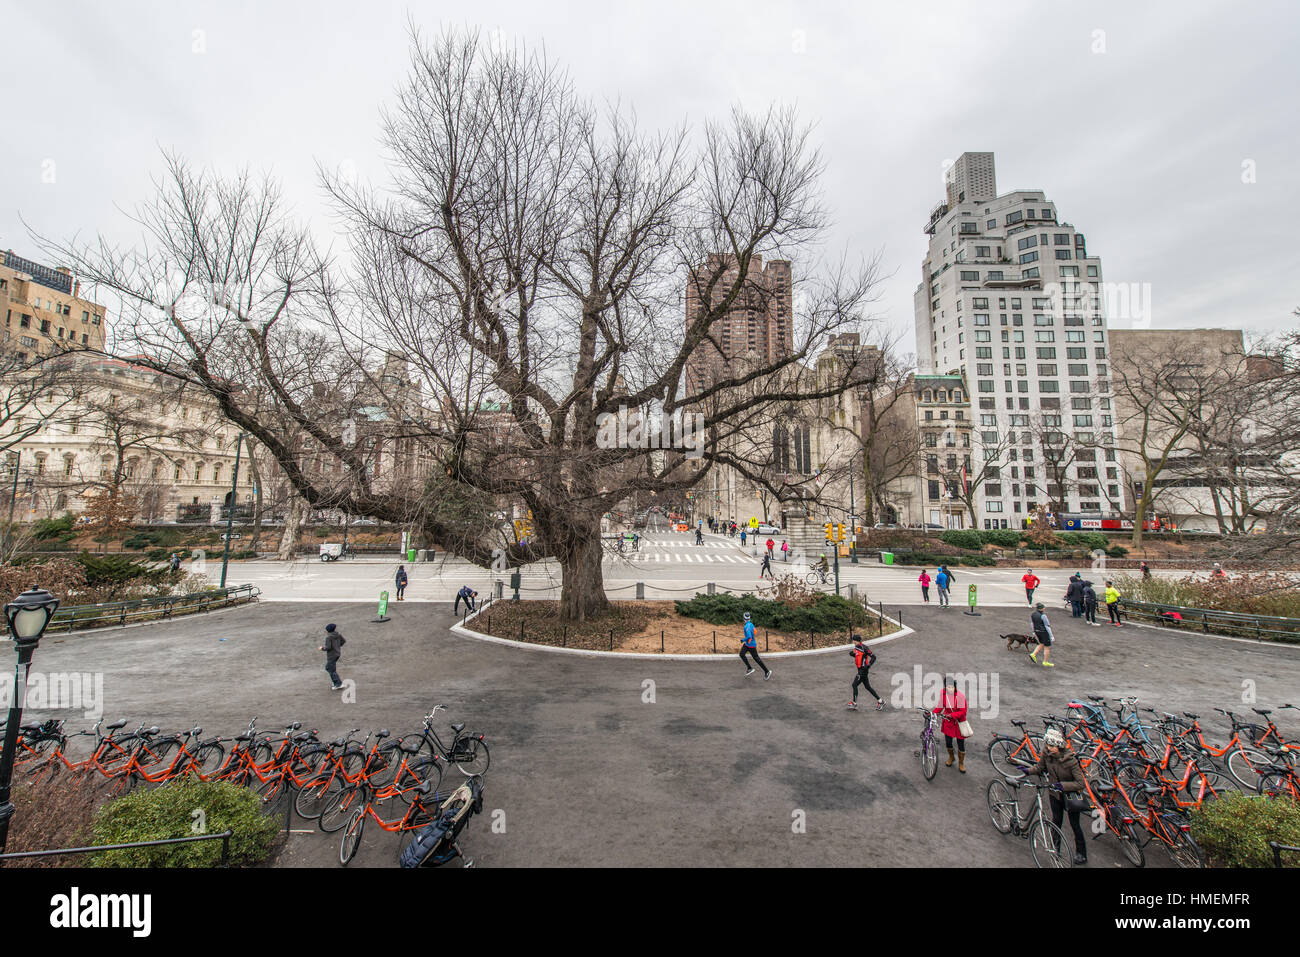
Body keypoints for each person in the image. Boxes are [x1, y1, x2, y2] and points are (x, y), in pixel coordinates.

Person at [1022, 727, 1089, 865]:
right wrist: (1028, 771)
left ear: (1059, 746)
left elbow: (1080, 783)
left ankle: (1081, 853)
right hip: (1055, 795)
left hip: (1071, 797)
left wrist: (1062, 785)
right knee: (1056, 821)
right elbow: (1040, 767)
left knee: (1075, 824)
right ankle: (1055, 849)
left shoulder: (1071, 761)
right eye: (1048, 744)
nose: (1049, 748)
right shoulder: (1047, 755)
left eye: (1052, 746)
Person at [933, 677, 969, 772]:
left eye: (952, 687)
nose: (950, 689)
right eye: (948, 687)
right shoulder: (943, 693)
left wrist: (951, 715)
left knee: (960, 744)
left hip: (958, 723)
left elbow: (963, 712)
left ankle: (961, 763)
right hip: (948, 723)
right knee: (948, 742)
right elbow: (940, 706)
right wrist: (933, 713)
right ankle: (951, 757)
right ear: (945, 686)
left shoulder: (960, 696)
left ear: (955, 686)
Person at [847, 636, 884, 711]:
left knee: (854, 684)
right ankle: (880, 701)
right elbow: (858, 656)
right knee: (868, 687)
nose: (853, 642)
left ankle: (854, 703)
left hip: (863, 671)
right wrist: (852, 654)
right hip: (860, 670)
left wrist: (868, 665)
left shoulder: (864, 648)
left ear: (857, 641)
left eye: (854, 641)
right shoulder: (856, 647)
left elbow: (873, 657)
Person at [740, 612, 771, 680]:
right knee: (741, 654)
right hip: (748, 644)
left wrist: (743, 640)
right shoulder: (751, 624)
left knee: (756, 659)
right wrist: (750, 638)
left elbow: (749, 636)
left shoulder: (746, 626)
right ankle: (749, 668)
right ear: (749, 618)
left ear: (744, 619)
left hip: (751, 645)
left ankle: (767, 671)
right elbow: (755, 631)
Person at [319, 623, 346, 691]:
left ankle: (338, 683)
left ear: (328, 630)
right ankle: (335, 682)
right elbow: (343, 641)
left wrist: (322, 648)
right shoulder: (338, 635)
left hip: (332, 655)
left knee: (330, 668)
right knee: (330, 668)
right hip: (337, 653)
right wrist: (337, 646)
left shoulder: (328, 637)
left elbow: (328, 647)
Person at [1030, 602, 1055, 667]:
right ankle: (1045, 662)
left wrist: (1033, 631)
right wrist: (1051, 636)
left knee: (1041, 643)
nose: (1044, 608)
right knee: (1047, 647)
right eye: (1044, 607)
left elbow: (1032, 623)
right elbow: (1047, 626)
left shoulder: (1033, 614)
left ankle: (1033, 654)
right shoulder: (1043, 615)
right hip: (1044, 632)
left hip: (1037, 631)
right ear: (1041, 609)